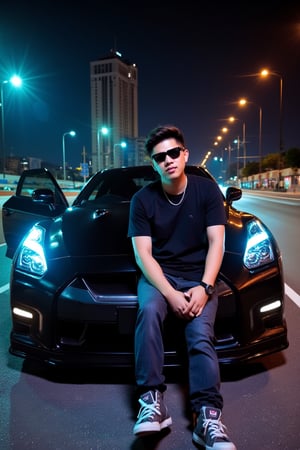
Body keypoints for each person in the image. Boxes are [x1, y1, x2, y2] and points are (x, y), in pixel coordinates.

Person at [128, 125, 237, 450]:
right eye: (160, 157)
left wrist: (205, 287)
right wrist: (171, 294)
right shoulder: (142, 199)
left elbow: (217, 243)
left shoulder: (206, 191)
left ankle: (208, 417)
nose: (168, 160)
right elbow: (143, 255)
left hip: (198, 277)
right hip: (160, 277)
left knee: (200, 332)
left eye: (174, 153)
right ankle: (152, 403)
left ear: (185, 154)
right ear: (153, 164)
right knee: (148, 311)